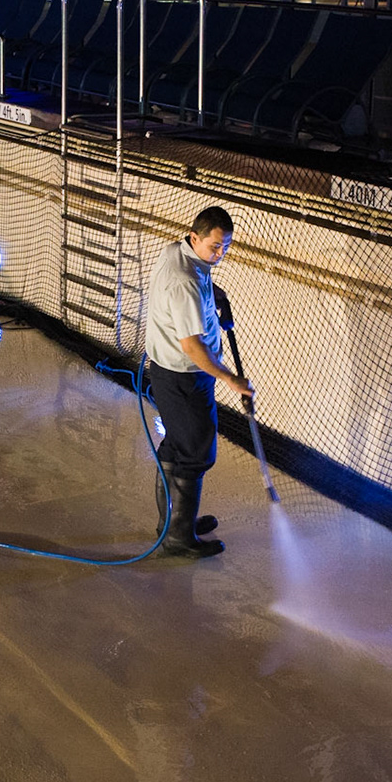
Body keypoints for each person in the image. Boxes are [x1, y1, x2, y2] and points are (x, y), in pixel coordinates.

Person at [145, 206, 252, 559]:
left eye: (225, 247)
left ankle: (175, 523)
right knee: (195, 453)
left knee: (177, 446)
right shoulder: (186, 282)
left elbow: (197, 282)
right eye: (215, 247)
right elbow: (192, 346)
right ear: (195, 237)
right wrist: (230, 378)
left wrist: (214, 293)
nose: (220, 254)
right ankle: (179, 538)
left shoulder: (176, 252)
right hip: (185, 377)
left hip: (168, 372)